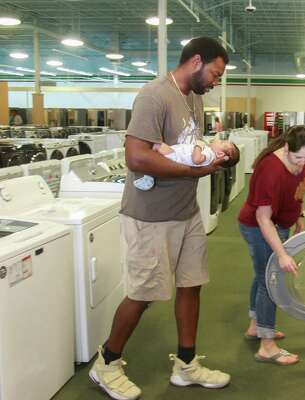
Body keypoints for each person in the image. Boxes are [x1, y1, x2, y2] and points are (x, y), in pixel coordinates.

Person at [89, 37, 230, 400]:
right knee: (142, 293)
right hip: (151, 216)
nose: (215, 81)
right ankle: (106, 362)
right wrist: (191, 173)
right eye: (214, 73)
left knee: (191, 284)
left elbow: (185, 147)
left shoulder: (195, 98)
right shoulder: (154, 95)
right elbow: (136, 157)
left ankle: (186, 365)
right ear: (196, 61)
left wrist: (209, 155)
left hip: (186, 210)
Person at [238, 125, 305, 366]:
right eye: (298, 157)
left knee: (262, 276)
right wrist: (282, 254)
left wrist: (299, 214)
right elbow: (263, 218)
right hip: (258, 227)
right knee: (270, 280)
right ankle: (267, 346)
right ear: (286, 148)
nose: (303, 162)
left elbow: (299, 188)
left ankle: (256, 326)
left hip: (280, 223)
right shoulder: (270, 170)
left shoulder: (304, 160)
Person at [133, 139, 240, 190]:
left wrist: (198, 145)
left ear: (220, 153)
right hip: (176, 155)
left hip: (177, 157)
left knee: (155, 144)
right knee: (155, 149)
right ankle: (149, 176)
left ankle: (149, 177)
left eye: (221, 142)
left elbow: (196, 159)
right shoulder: (209, 153)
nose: (218, 140)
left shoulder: (209, 154)